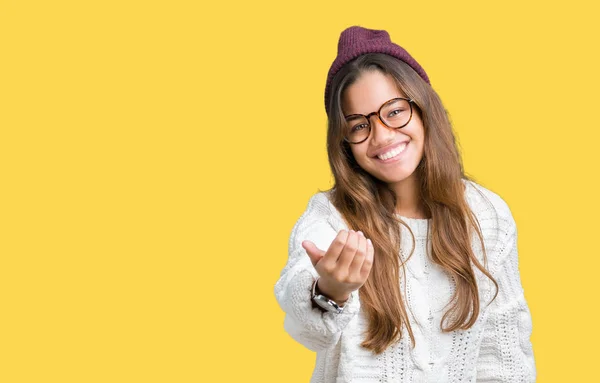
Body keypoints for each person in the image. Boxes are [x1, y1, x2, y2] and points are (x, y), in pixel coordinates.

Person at [274, 25, 536, 383]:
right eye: (359, 126)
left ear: (424, 107)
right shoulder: (332, 216)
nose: (381, 136)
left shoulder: (486, 214)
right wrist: (330, 291)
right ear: (345, 142)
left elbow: (504, 354)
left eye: (394, 112)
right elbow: (305, 325)